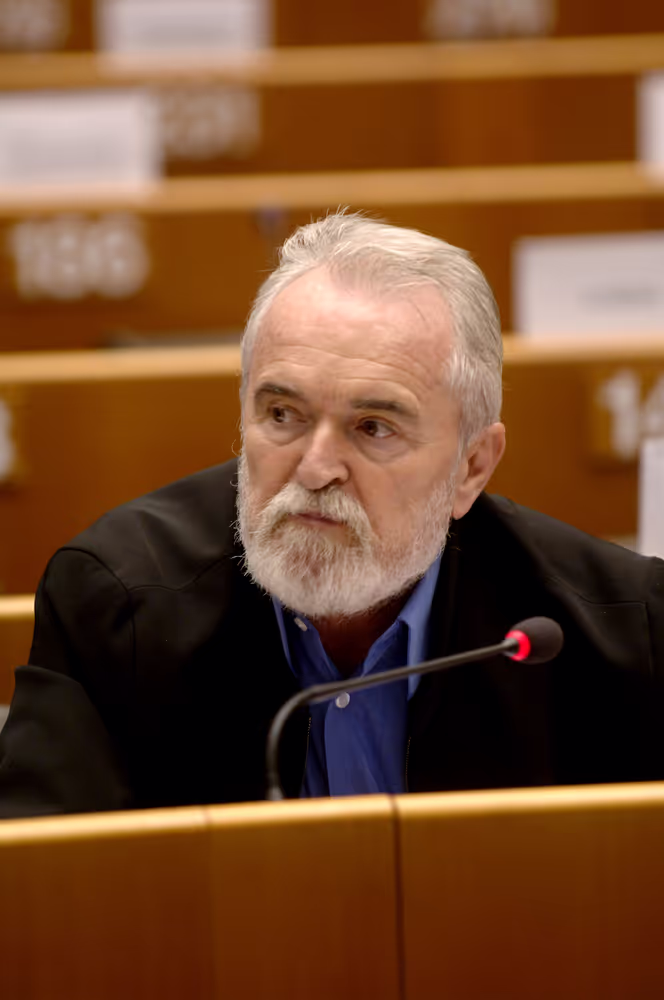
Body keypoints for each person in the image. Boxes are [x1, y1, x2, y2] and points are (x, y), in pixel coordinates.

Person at [1, 211, 664, 818]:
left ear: (472, 468)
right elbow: (49, 899)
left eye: (373, 428)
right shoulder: (118, 605)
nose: (316, 468)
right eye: (282, 415)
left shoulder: (622, 636)